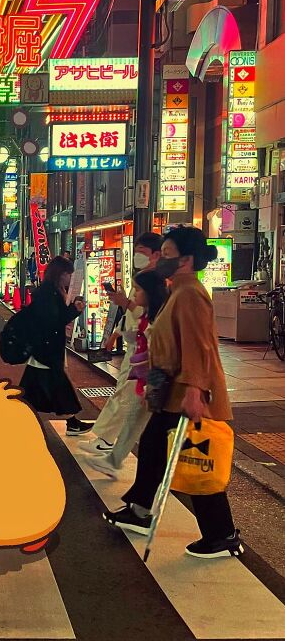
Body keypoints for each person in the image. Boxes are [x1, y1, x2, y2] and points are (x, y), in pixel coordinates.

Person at [104, 226, 243, 559]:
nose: (160, 259)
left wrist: (196, 390)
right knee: (156, 448)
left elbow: (200, 346)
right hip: (174, 389)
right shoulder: (177, 291)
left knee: (195, 458)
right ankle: (141, 511)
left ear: (186, 259)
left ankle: (221, 533)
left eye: (166, 254)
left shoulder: (190, 294)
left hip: (187, 393)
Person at [78, 232, 163, 457]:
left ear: (156, 254)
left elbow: (149, 316)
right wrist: (116, 334)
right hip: (136, 348)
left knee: (127, 396)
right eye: (136, 253)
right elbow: (135, 314)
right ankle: (109, 443)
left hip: (144, 349)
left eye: (142, 253)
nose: (137, 257)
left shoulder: (156, 281)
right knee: (126, 395)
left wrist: (126, 303)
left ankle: (108, 441)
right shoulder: (143, 278)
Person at [87, 269, 168, 478]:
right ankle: (114, 460)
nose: (135, 294)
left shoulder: (161, 316)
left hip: (159, 379)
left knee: (151, 430)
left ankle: (119, 462)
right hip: (149, 376)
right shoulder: (152, 312)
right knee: (136, 417)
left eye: (138, 290)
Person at [19, 256, 90, 435]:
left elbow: (56, 317)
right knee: (57, 384)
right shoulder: (48, 293)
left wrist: (74, 309)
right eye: (68, 274)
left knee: (33, 387)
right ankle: (72, 422)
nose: (70, 278)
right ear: (60, 274)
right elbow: (54, 321)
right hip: (47, 348)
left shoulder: (51, 291)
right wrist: (75, 310)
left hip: (44, 347)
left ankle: (20, 415)